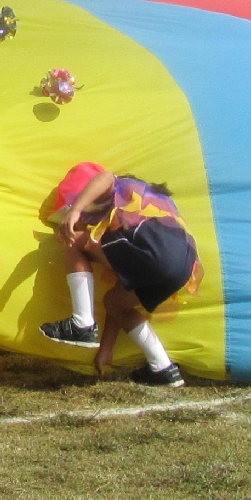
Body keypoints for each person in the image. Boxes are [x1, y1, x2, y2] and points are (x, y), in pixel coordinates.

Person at [36, 163, 198, 388]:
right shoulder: (142, 208)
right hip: (182, 266)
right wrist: (106, 348)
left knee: (73, 241)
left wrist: (74, 211)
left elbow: (105, 177)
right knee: (115, 303)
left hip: (156, 248)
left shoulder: (123, 188)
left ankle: (82, 323)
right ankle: (163, 368)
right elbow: (122, 280)